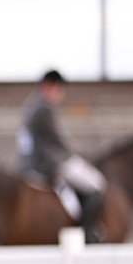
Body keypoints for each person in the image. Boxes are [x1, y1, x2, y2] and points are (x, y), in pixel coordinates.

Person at [18, 69, 107, 241]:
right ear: (50, 86)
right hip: (49, 163)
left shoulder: (31, 104)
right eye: (60, 90)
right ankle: (88, 231)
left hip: (34, 161)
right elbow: (61, 141)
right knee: (97, 184)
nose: (61, 95)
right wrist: (82, 157)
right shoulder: (44, 107)